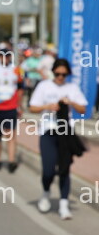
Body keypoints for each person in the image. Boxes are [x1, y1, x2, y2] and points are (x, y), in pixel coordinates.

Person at [29, 58, 88, 220]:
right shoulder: (44, 86)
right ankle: (46, 193)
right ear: (53, 72)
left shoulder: (72, 88)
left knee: (64, 169)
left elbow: (83, 109)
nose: (61, 77)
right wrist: (47, 106)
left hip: (65, 134)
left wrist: (70, 102)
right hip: (48, 131)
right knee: (48, 170)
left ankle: (64, 204)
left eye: (64, 74)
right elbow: (32, 107)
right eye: (57, 74)